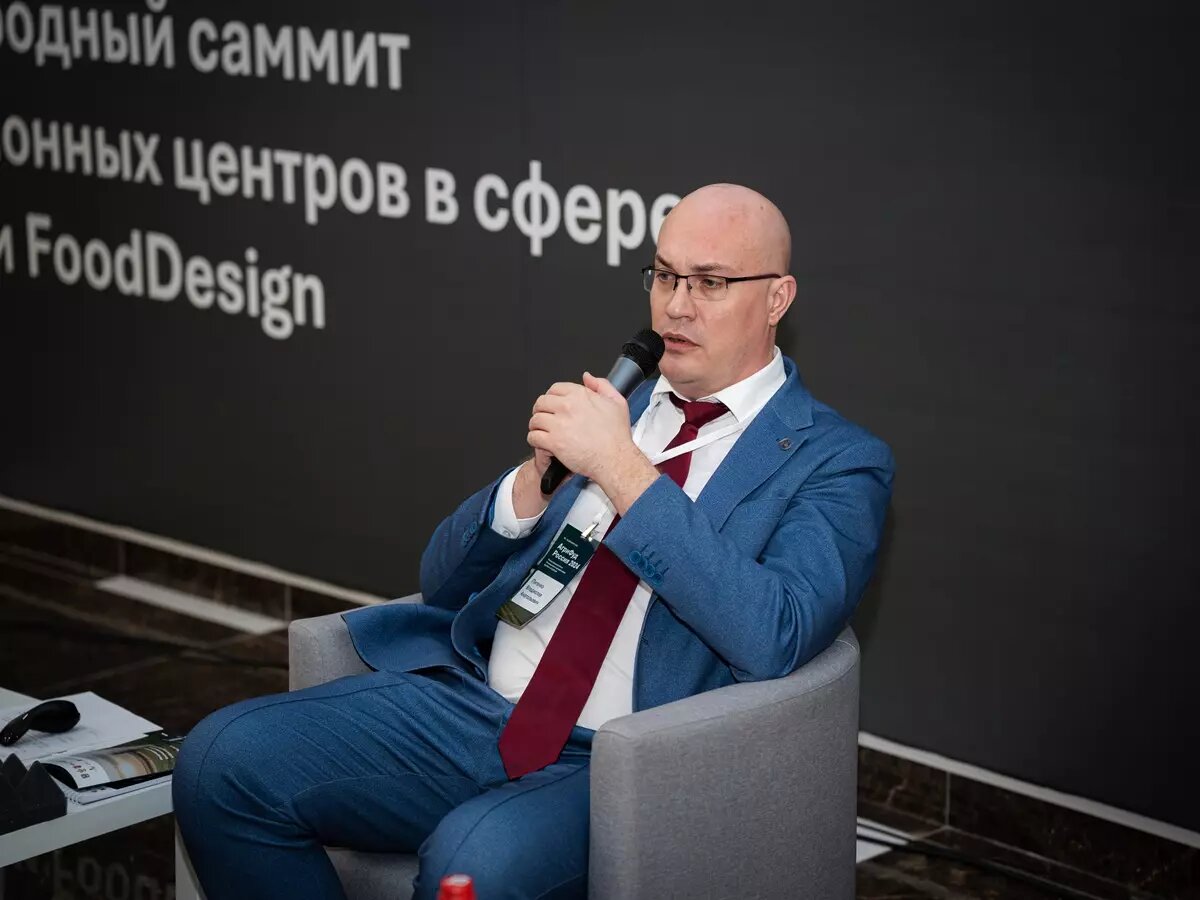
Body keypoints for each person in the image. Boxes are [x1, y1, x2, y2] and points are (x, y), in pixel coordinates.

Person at [172, 183, 894, 899]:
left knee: (472, 864)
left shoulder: (836, 461)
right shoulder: (621, 405)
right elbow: (441, 580)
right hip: (476, 711)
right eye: (664, 275)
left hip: (619, 758)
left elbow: (774, 632)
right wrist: (530, 485)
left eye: (710, 283)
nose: (676, 305)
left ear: (777, 298)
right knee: (219, 761)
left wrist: (622, 470)